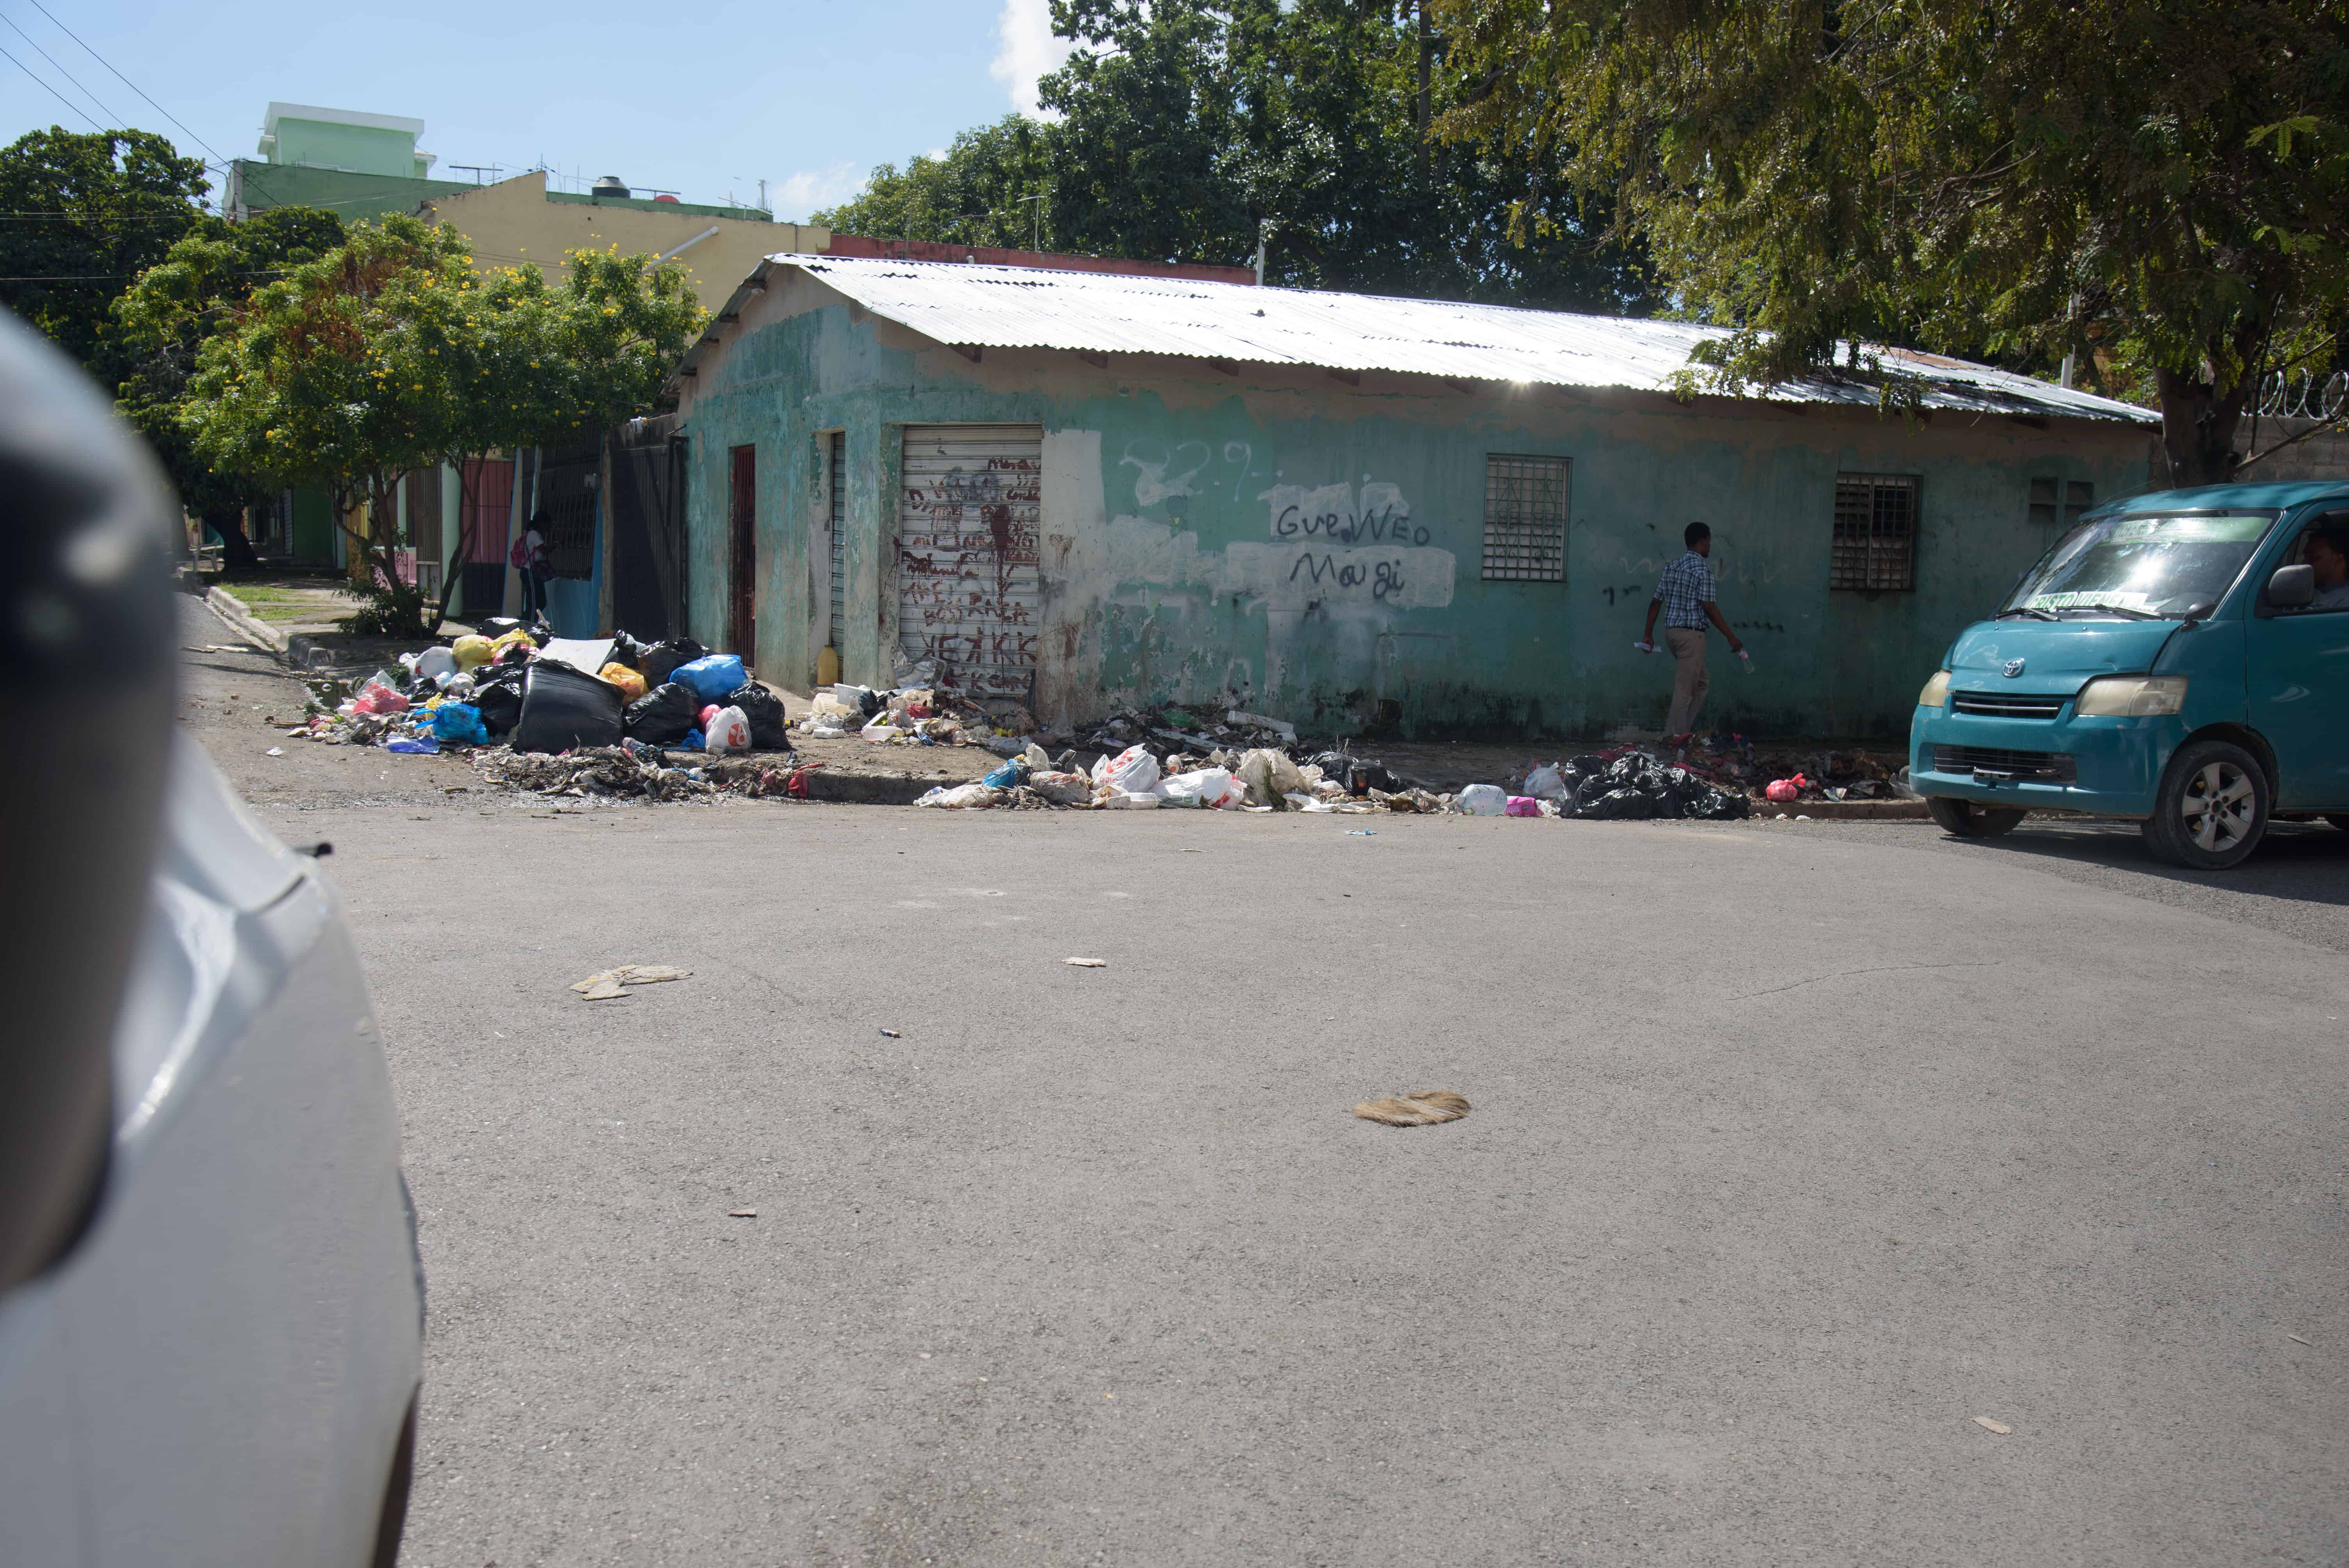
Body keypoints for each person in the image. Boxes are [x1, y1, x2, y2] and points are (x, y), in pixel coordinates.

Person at [1641, 521, 1745, 736]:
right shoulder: (1702, 570)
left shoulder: (1672, 567)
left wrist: (1648, 634)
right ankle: (1673, 739)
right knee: (1684, 691)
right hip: (1691, 637)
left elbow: (1656, 602)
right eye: (1709, 542)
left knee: (1701, 682)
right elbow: (1709, 607)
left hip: (1673, 635)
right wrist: (1731, 637)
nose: (1710, 547)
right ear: (1702, 541)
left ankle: (1682, 733)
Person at [511, 512, 550, 617]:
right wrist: (557, 542)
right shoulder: (534, 534)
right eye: (548, 524)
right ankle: (529, 627)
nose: (549, 527)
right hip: (530, 572)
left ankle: (525, 622)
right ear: (542, 523)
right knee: (534, 604)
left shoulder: (534, 534)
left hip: (533, 572)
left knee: (541, 602)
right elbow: (544, 551)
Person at [2306, 520, 2349, 610]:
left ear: (2339, 560)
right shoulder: (2305, 591)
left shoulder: (2345, 600)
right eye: (2305, 557)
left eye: (2313, 557)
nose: (2304, 563)